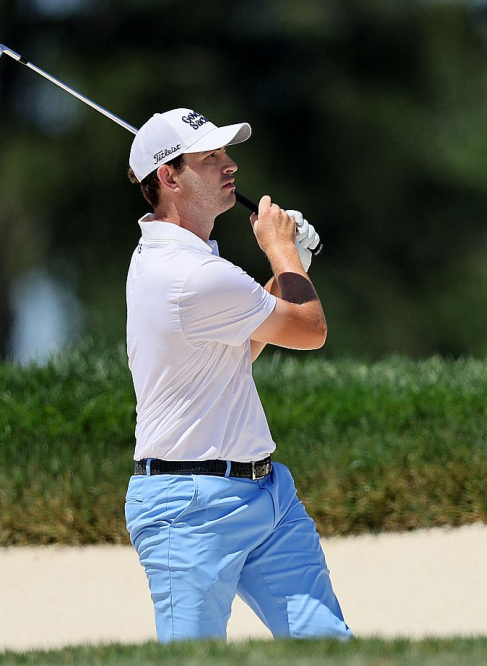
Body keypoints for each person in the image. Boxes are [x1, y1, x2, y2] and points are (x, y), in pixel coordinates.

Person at [121, 108, 351, 642]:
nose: (231, 166)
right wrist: (282, 250)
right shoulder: (192, 272)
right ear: (169, 177)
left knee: (331, 649)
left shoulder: (190, 260)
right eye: (211, 158)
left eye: (226, 153)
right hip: (190, 509)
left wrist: (293, 270)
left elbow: (244, 344)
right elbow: (310, 329)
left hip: (266, 496)